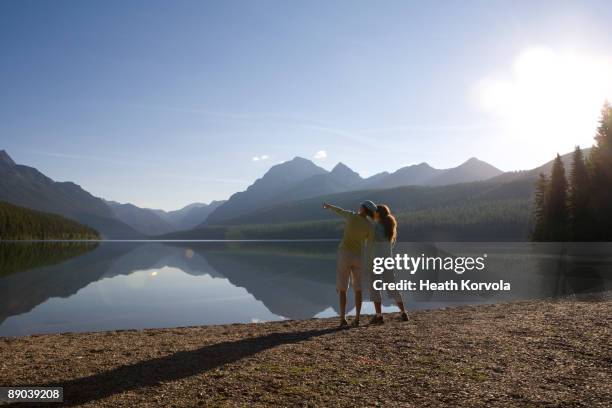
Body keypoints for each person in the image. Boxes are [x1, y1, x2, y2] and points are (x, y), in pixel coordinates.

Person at [323, 200, 376, 327]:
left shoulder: (352, 216)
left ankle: (342, 319)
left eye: (361, 205)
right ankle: (357, 318)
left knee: (342, 288)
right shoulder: (369, 226)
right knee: (358, 289)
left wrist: (329, 206)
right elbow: (370, 245)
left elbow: (339, 210)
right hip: (359, 257)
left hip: (345, 254)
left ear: (363, 209)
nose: (359, 206)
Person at [366, 204, 408, 324]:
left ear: (378, 213)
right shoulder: (390, 226)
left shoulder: (377, 226)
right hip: (388, 261)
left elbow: (369, 237)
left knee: (375, 288)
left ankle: (379, 316)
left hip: (377, 261)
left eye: (375, 212)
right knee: (392, 287)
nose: (373, 213)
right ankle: (403, 312)